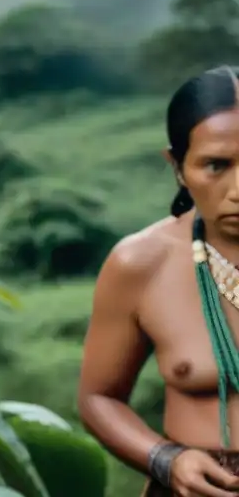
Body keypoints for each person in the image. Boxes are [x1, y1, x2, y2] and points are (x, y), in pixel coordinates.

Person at [78, 65, 239, 497]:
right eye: (216, 165)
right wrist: (167, 459)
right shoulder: (141, 263)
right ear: (178, 166)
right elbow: (99, 399)